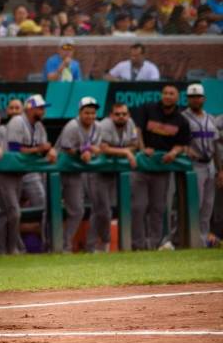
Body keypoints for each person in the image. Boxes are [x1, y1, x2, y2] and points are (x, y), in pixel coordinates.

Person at [131, 85, 190, 250]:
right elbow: (138, 131)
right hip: (141, 168)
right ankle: (138, 245)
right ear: (161, 95)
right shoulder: (148, 109)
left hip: (162, 170)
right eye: (165, 93)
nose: (168, 96)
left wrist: (174, 152)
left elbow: (182, 144)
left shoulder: (181, 120)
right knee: (138, 207)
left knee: (158, 208)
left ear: (177, 98)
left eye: (171, 94)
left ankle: (155, 245)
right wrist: (142, 149)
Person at [0, 95, 56, 254]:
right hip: (5, 172)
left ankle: (12, 249)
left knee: (16, 212)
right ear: (29, 108)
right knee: (11, 212)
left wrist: (50, 150)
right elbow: (15, 151)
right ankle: (5, 249)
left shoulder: (39, 126)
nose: (43, 111)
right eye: (40, 108)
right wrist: (40, 149)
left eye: (43, 108)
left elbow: (43, 149)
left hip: (21, 174)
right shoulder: (17, 121)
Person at [56, 98, 105, 254]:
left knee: (77, 210)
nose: (90, 116)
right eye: (86, 112)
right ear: (79, 113)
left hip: (75, 172)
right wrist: (82, 152)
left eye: (93, 112)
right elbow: (67, 147)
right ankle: (51, 245)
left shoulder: (98, 126)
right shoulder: (72, 125)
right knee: (51, 209)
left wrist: (90, 151)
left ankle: (65, 246)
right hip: (57, 170)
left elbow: (94, 147)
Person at [91, 103, 139, 253]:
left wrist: (124, 151)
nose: (121, 116)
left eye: (124, 114)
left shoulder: (130, 123)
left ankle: (104, 245)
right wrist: (125, 152)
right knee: (102, 211)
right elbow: (104, 149)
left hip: (115, 172)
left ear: (128, 115)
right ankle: (96, 244)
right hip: (97, 171)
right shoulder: (104, 125)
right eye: (117, 114)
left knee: (119, 209)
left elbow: (135, 144)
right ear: (111, 115)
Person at [182, 84, 220, 247]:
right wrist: (185, 149)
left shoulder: (210, 118)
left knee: (208, 205)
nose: (196, 100)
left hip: (210, 164)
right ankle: (190, 239)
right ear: (188, 99)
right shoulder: (182, 117)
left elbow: (216, 145)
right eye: (192, 97)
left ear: (203, 99)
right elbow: (179, 141)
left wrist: (221, 169)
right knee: (194, 204)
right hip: (194, 165)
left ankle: (203, 240)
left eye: (198, 97)